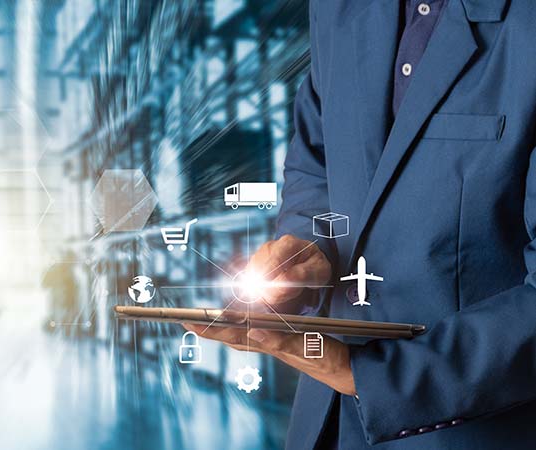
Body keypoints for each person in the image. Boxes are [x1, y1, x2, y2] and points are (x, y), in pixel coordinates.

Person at [184, 0, 536, 448]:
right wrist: (305, 252)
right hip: (325, 424)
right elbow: (318, 163)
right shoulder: (337, 10)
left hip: (469, 430)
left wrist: (368, 375)